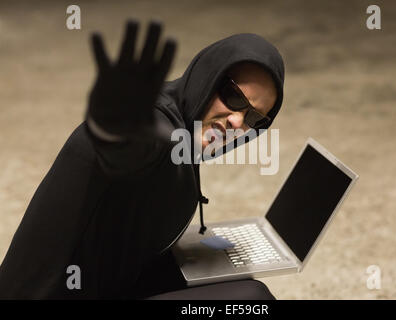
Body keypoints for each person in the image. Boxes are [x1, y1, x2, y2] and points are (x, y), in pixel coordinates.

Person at [0, 20, 284, 299]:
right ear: (208, 76)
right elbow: (127, 151)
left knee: (224, 270)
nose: (237, 121)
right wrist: (108, 128)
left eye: (255, 118)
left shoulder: (182, 127)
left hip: (110, 284)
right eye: (233, 97)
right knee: (251, 299)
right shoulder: (156, 128)